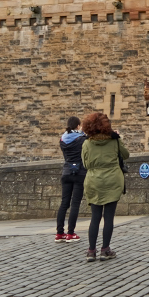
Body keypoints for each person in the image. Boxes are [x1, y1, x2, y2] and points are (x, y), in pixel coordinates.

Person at [81, 112, 130, 262]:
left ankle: (91, 251)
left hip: (94, 181)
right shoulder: (114, 141)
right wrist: (118, 138)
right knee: (108, 217)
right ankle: (105, 250)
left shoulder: (87, 143)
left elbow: (86, 164)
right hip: (112, 180)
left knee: (95, 217)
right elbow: (126, 155)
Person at [56, 116, 87, 243]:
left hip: (66, 172)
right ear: (78, 126)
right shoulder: (82, 139)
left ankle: (59, 233)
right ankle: (70, 233)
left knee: (64, 203)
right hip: (79, 173)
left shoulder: (62, 139)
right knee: (75, 204)